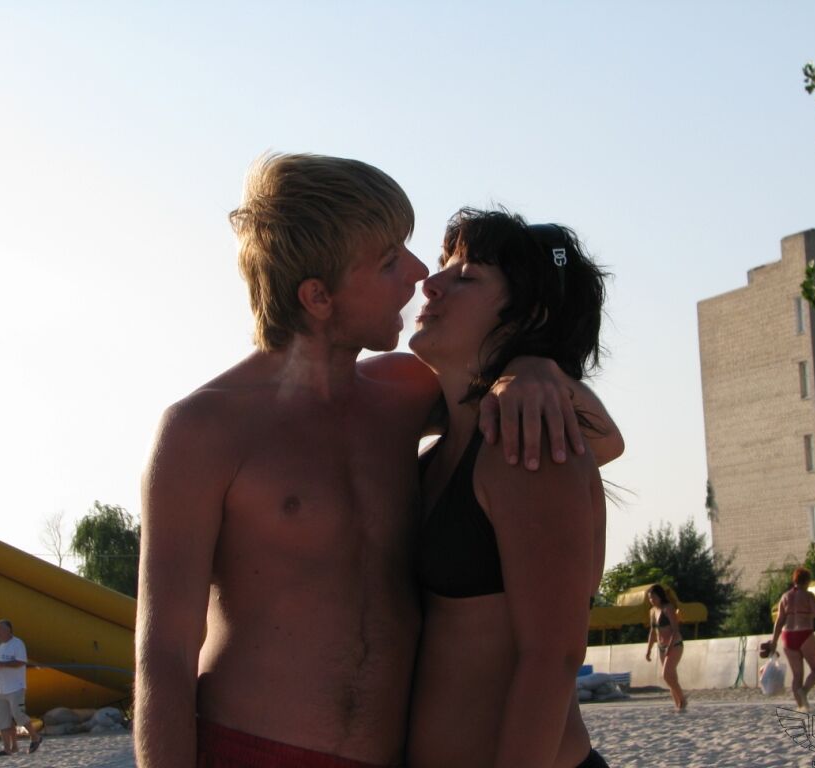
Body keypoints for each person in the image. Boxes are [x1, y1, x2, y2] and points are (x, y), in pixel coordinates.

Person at [134, 155, 624, 768]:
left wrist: (533, 367)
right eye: (391, 260)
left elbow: (597, 442)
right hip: (253, 748)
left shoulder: (403, 393)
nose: (420, 274)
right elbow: (164, 654)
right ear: (318, 297)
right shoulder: (201, 431)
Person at [405, 208, 609, 768]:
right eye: (444, 266)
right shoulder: (437, 451)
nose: (431, 282)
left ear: (530, 315)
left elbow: (553, 657)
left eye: (467, 276)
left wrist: (534, 368)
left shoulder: (528, 448)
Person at [767, 567, 815, 710]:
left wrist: (774, 641)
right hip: (804, 633)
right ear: (807, 581)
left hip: (788, 636)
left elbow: (779, 621)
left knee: (797, 675)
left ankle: (802, 706)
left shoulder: (785, 596)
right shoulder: (808, 596)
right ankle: (805, 690)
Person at [0, 619, 43, 755]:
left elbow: (20, 662)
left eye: (0, 629)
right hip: (1, 688)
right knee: (1, 719)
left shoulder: (17, 644)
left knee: (19, 714)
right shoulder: (0, 648)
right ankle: (7, 748)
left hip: (16, 687)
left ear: (8, 630)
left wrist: (1, 664)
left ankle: (35, 737)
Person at [645, 584, 687, 711]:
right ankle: (678, 704)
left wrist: (670, 646)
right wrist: (649, 649)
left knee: (666, 674)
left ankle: (683, 699)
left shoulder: (668, 608)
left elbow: (675, 629)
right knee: (671, 677)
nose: (652, 600)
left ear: (660, 596)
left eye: (654, 597)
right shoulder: (652, 611)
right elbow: (652, 632)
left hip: (674, 645)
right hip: (661, 646)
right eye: (650, 598)